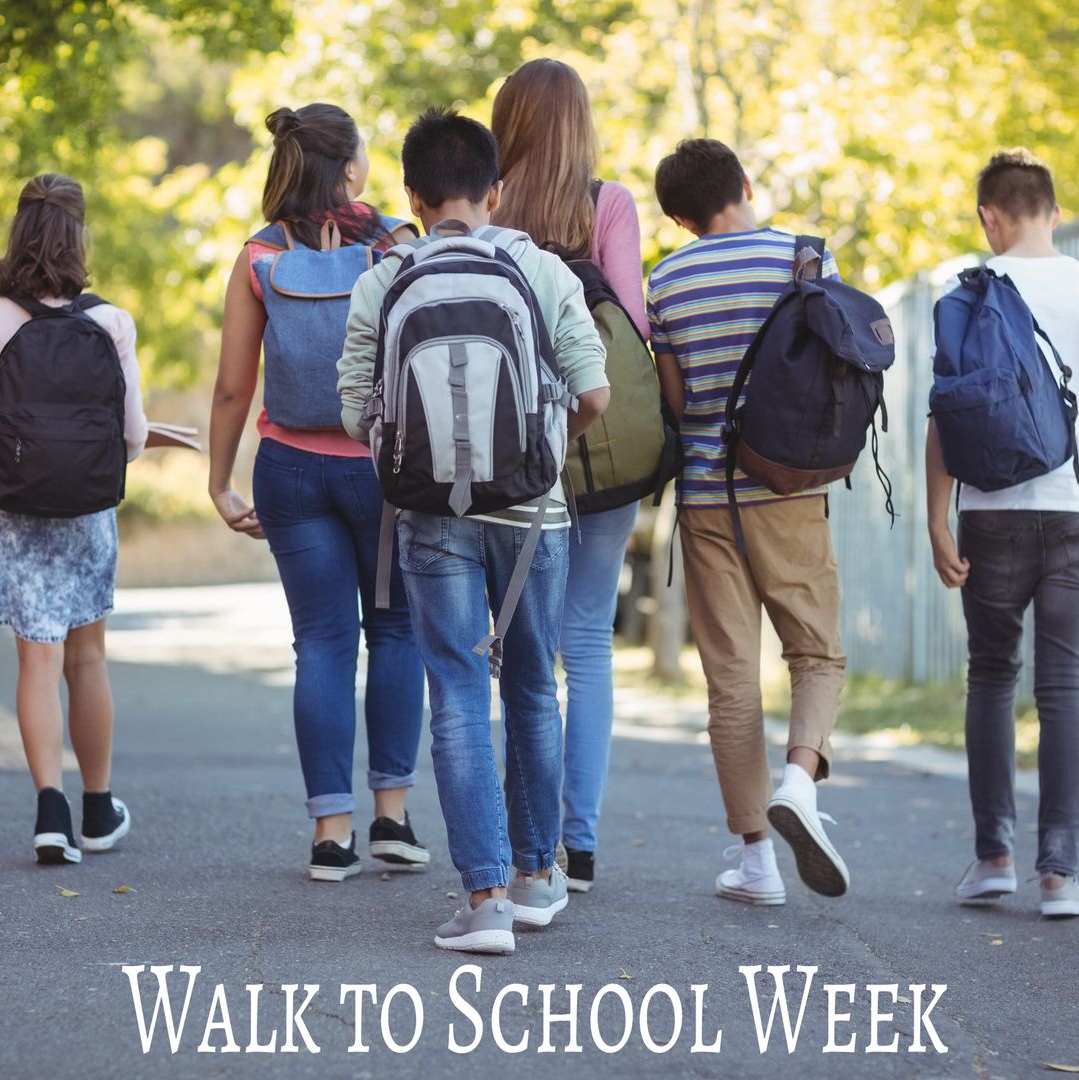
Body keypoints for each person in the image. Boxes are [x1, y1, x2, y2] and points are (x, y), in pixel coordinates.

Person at [338, 107, 609, 953]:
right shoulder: (541, 269)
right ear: (496, 189)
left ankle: (485, 898)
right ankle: (536, 877)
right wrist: (540, 451)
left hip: (429, 515)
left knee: (456, 690)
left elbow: (354, 413)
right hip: (534, 515)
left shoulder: (385, 277)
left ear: (412, 196)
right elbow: (595, 393)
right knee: (533, 684)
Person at [209, 103, 428, 883]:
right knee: (397, 632)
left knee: (323, 644)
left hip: (288, 472)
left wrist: (219, 481)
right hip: (383, 469)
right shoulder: (396, 243)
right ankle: (393, 821)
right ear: (351, 167)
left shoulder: (258, 254)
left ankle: (330, 835)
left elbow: (235, 388)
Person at [647, 139, 849, 906]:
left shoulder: (666, 279)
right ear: (746, 184)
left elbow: (675, 401)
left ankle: (757, 863)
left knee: (731, 682)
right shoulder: (805, 262)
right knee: (817, 653)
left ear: (678, 217)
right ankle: (800, 781)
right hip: (790, 491)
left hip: (707, 500)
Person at [490, 57, 648, 894]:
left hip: (515, 453)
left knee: (524, 645)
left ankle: (529, 841)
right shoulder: (608, 204)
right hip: (607, 448)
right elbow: (632, 325)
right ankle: (577, 844)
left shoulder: (489, 208)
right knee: (587, 641)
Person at [927, 149, 1079, 918]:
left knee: (991, 676)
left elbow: (943, 412)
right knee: (1064, 687)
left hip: (989, 513)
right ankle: (1061, 873)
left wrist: (934, 519)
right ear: (1053, 211)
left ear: (990, 214)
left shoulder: (969, 293)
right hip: (1072, 509)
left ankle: (993, 857)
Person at [0, 173, 147, 864]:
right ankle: (97, 807)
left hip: (15, 507)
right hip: (87, 510)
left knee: (36, 656)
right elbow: (135, 437)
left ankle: (49, 813)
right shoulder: (110, 321)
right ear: (77, 234)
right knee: (87, 659)